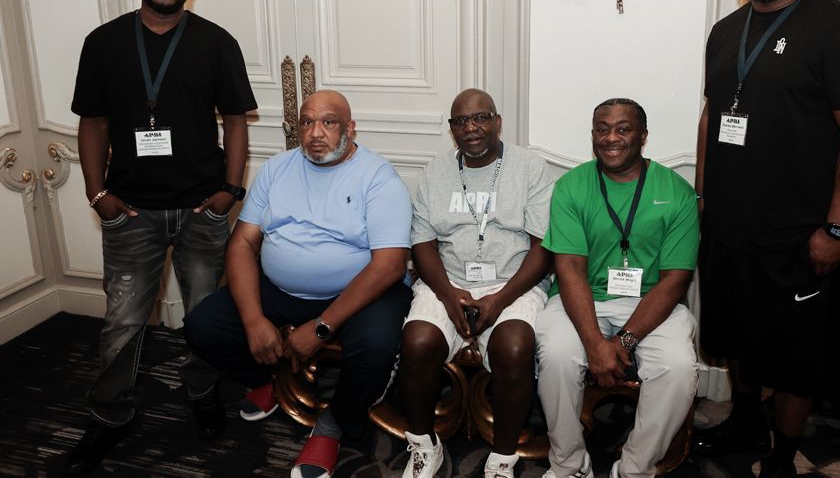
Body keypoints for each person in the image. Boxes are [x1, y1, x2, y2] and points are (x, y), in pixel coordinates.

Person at [693, 0, 840, 477]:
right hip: (729, 227)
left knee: (796, 356)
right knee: (739, 337)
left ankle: (781, 456)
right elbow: (712, 116)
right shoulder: (727, 31)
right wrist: (705, 198)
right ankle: (746, 419)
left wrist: (836, 228)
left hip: (799, 232)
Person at [66, 0, 257, 476]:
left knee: (204, 316)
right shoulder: (103, 43)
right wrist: (96, 193)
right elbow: (93, 122)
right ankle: (110, 416)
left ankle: (201, 391)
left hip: (202, 209)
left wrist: (230, 190)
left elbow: (235, 121)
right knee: (123, 321)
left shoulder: (216, 42)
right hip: (130, 211)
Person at [184, 89, 412, 478]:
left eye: (328, 122)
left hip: (359, 291)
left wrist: (323, 326)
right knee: (201, 326)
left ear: (350, 128)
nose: (316, 132)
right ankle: (269, 379)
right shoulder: (276, 169)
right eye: (307, 122)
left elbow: (389, 265)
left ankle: (333, 424)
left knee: (375, 349)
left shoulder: (378, 177)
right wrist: (255, 320)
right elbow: (241, 243)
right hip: (282, 290)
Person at [536, 98, 699, 478]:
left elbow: (675, 279)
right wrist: (595, 344)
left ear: (643, 136)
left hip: (650, 301)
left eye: (623, 129)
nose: (611, 138)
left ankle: (635, 468)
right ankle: (568, 464)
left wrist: (621, 343)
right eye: (601, 128)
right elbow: (570, 268)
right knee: (558, 353)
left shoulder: (676, 191)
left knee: (677, 366)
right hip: (582, 298)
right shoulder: (571, 186)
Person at [398, 89, 554, 478]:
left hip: (513, 282)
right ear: (452, 129)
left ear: (498, 121)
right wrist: (450, 299)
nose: (471, 128)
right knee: (417, 342)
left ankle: (502, 458)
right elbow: (423, 244)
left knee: (515, 347)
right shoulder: (436, 172)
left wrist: (499, 300)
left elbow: (543, 248)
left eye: (481, 118)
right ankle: (422, 445)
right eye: (460, 121)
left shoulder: (530, 168)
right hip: (449, 281)